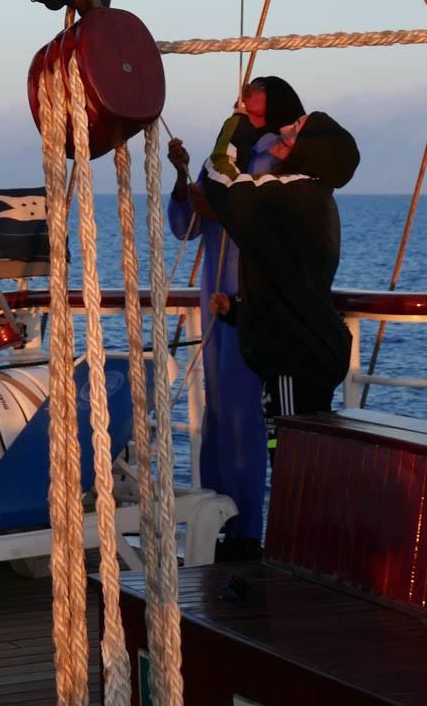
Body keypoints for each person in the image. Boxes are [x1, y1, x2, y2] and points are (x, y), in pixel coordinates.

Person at [200, 76, 359, 468]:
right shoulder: (314, 199)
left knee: (288, 456)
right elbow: (288, 279)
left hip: (294, 363)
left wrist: (232, 130)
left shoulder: (288, 196)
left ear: (311, 150)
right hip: (311, 352)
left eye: (297, 129)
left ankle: (298, 528)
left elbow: (223, 185)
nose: (286, 129)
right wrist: (240, 311)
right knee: (297, 454)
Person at [167, 125, 267, 562]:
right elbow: (185, 226)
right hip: (216, 308)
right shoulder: (215, 175)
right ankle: (219, 519)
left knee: (245, 417)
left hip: (252, 309)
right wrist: (182, 173)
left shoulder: (269, 180)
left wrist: (220, 204)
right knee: (219, 415)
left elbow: (266, 228)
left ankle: (248, 529)